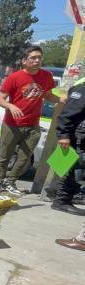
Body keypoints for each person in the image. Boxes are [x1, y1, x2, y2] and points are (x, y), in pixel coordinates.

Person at [0, 46, 61, 196]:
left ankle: (11, 182)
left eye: (39, 57)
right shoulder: (14, 77)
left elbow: (47, 95)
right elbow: (0, 99)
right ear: (24, 61)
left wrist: (62, 100)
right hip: (12, 124)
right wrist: (10, 106)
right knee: (5, 155)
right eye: (33, 58)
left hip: (33, 125)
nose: (37, 60)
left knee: (25, 158)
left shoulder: (46, 76)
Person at [51, 80, 85, 215]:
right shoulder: (82, 89)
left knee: (77, 169)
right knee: (76, 169)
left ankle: (66, 197)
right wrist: (64, 135)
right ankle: (62, 201)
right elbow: (66, 114)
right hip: (79, 137)